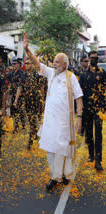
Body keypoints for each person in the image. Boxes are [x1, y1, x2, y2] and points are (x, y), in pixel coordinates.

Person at [24, 32, 83, 190]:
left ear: (64, 64)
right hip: (50, 121)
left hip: (64, 122)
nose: (54, 64)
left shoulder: (71, 78)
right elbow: (37, 64)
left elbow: (79, 98)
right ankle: (57, 174)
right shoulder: (51, 74)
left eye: (57, 62)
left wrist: (79, 118)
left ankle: (57, 176)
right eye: (54, 62)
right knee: (51, 148)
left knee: (62, 149)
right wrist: (27, 50)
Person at [79, 50, 106, 171]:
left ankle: (98, 161)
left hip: (99, 109)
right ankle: (91, 155)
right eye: (92, 58)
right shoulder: (84, 74)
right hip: (87, 109)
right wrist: (80, 109)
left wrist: (104, 106)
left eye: (96, 58)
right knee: (89, 134)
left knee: (98, 135)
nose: (94, 60)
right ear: (89, 59)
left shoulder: (102, 73)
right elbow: (79, 92)